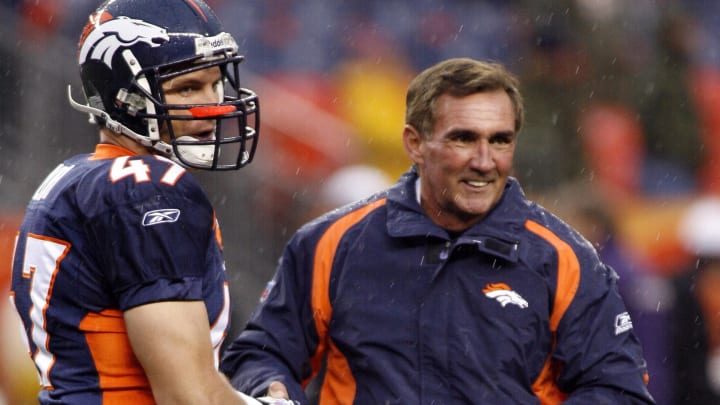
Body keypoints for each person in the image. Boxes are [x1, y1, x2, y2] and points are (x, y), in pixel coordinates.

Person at [220, 58, 655, 404]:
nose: (485, 161)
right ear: (414, 143)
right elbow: (262, 354)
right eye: (463, 138)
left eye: (500, 140)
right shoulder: (330, 245)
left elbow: (619, 390)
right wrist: (271, 389)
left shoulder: (566, 260)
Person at [7, 0, 274, 404]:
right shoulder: (149, 186)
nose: (214, 104)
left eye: (215, 82)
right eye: (187, 87)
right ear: (124, 98)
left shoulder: (71, 178)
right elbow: (187, 396)